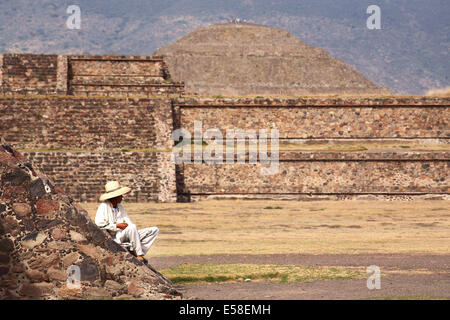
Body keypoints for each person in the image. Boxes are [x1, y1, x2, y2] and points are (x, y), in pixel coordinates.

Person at [95, 181, 159, 263]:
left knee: (154, 230)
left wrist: (132, 231)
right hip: (114, 237)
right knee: (132, 228)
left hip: (125, 234)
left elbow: (128, 222)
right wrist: (116, 226)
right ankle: (139, 255)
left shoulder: (120, 207)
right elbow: (99, 224)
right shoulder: (103, 207)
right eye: (120, 195)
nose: (122, 197)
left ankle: (136, 252)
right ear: (115, 197)